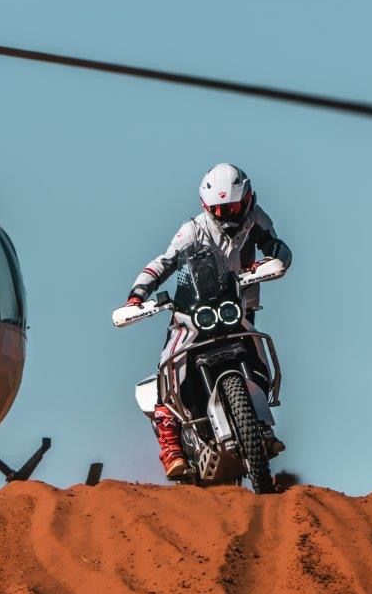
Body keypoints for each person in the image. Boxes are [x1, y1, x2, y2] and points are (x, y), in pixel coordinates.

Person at [125, 163, 292, 479]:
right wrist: (138, 293)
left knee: (255, 342)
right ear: (206, 207)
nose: (227, 214)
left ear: (247, 199)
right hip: (192, 313)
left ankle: (263, 427)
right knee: (167, 365)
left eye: (232, 207)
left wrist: (276, 260)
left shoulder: (256, 218)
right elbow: (164, 262)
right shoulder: (193, 230)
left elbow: (274, 244)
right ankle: (171, 446)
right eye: (219, 209)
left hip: (236, 306)